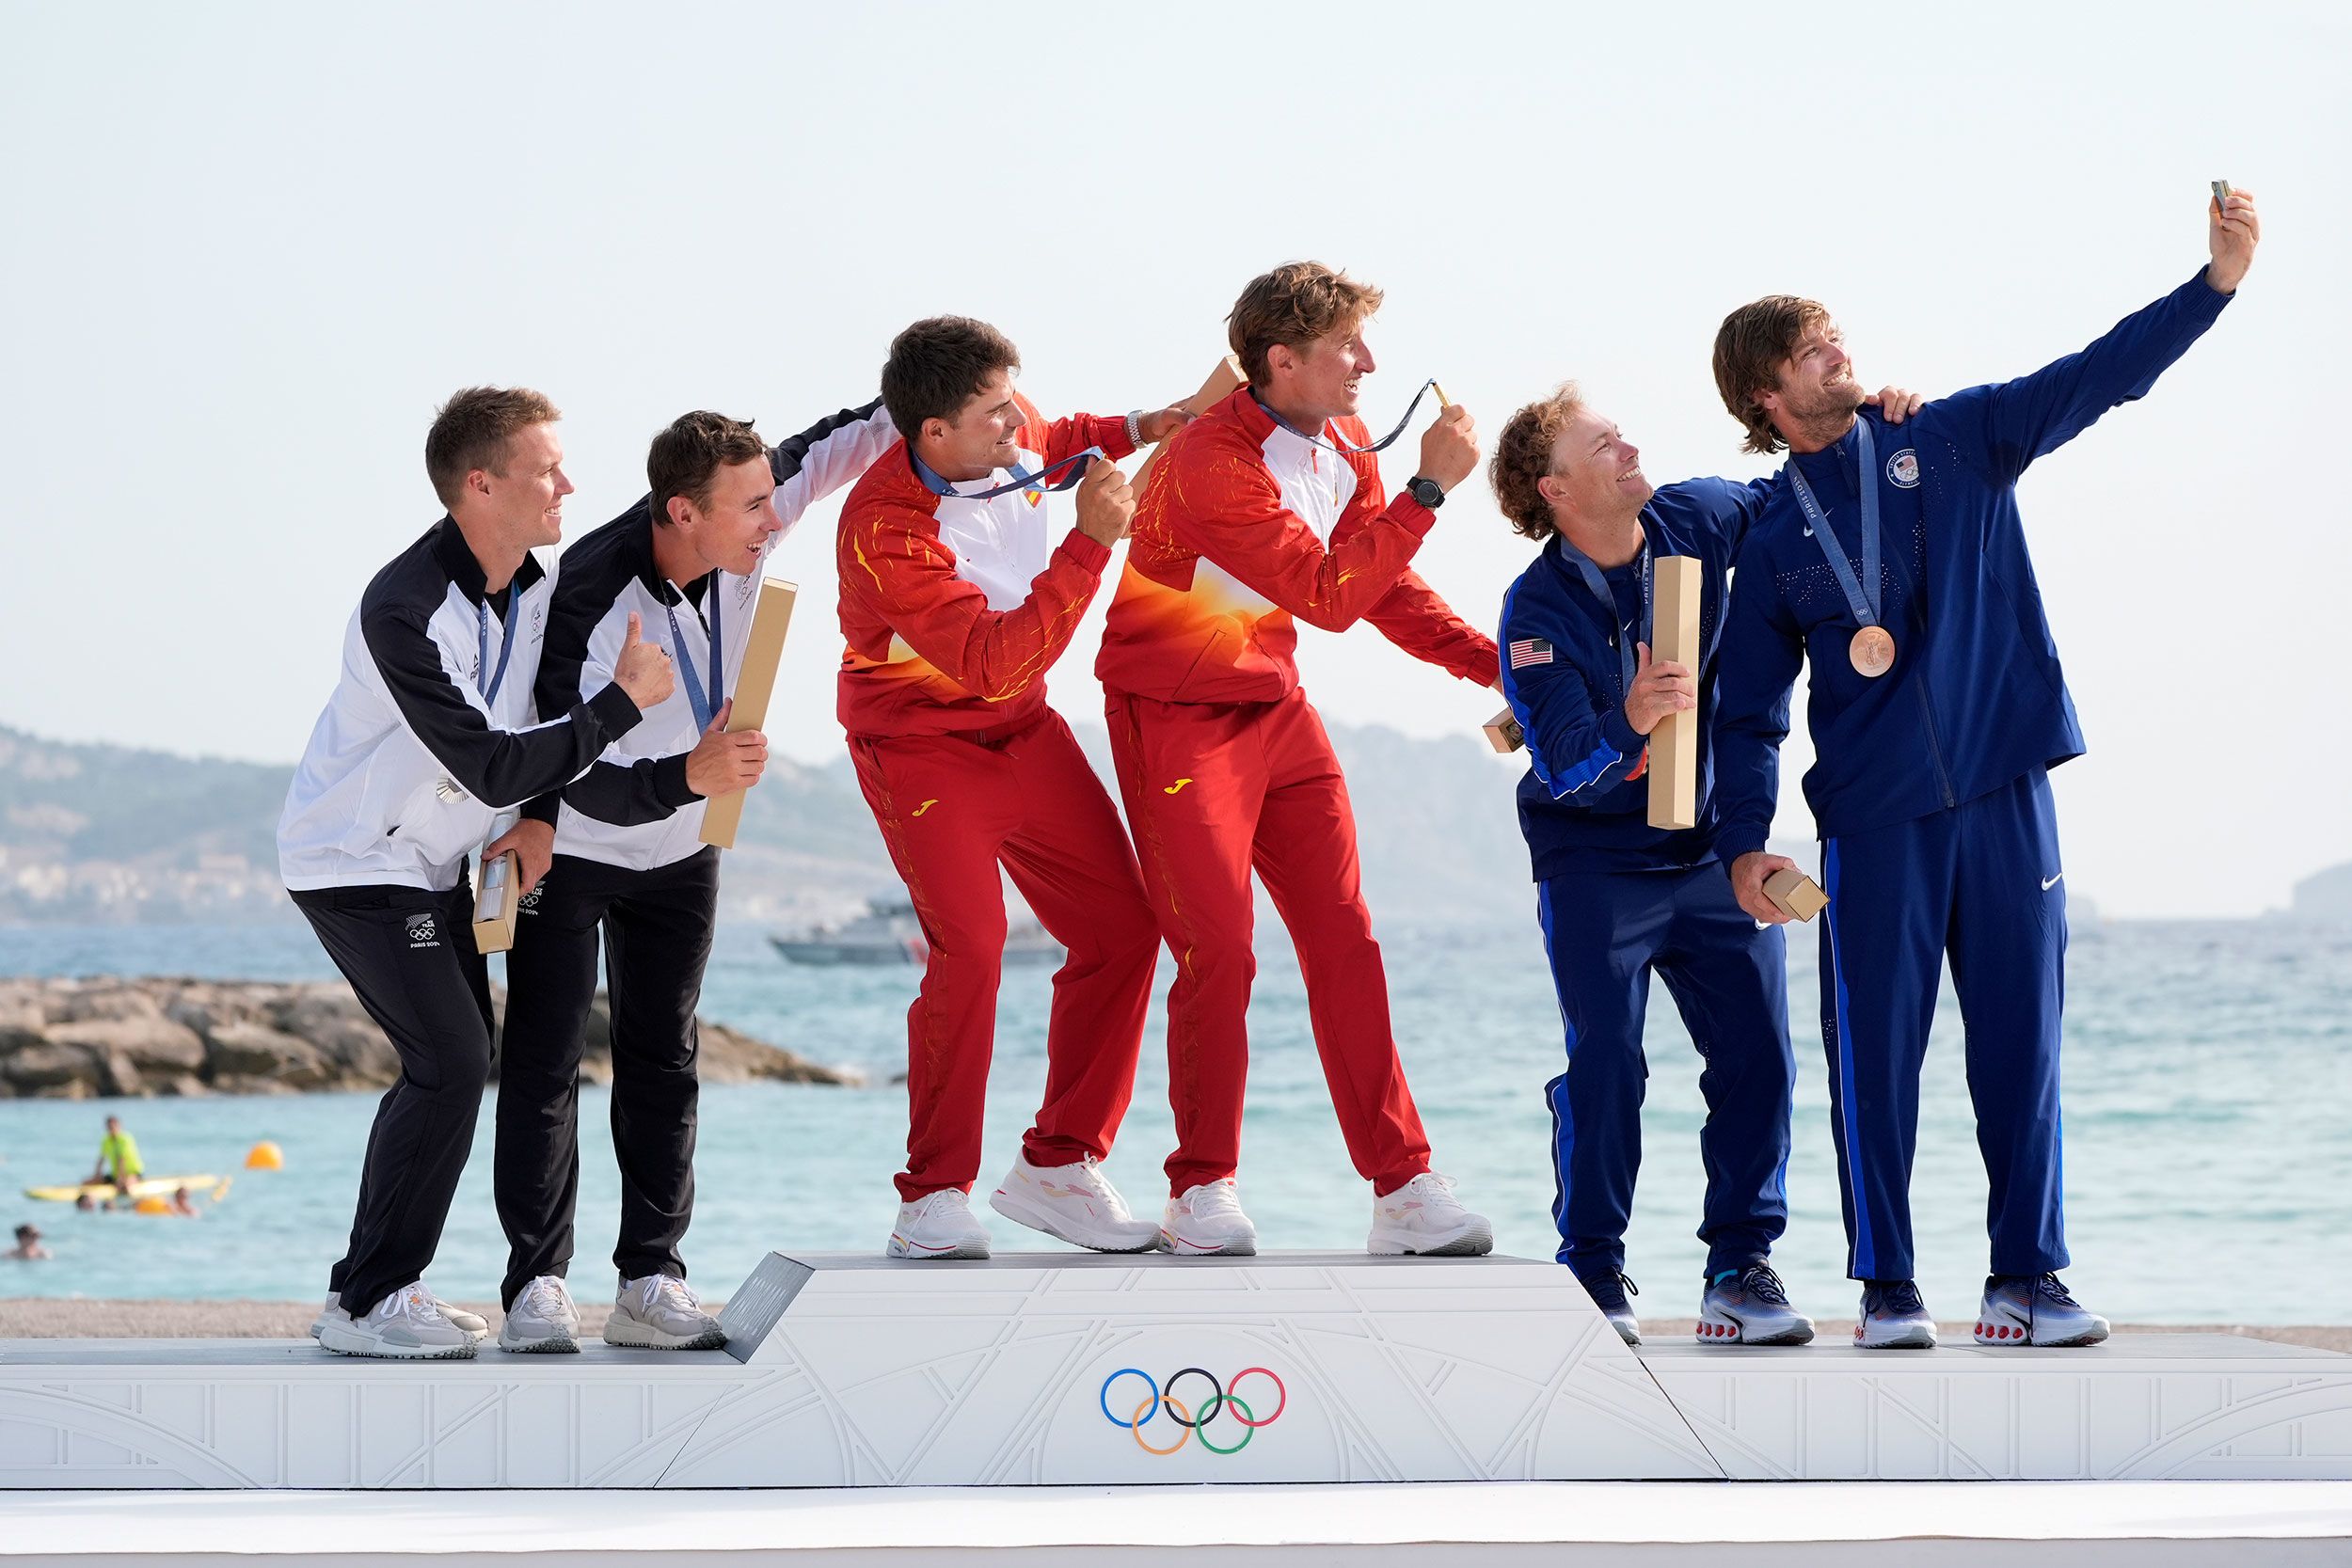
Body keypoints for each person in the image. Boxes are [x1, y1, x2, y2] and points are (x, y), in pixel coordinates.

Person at [1708, 188, 2261, 1349]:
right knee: (1875, 1060)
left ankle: (2027, 1279)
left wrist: (2211, 286)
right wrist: (1745, 842)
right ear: (1768, 394)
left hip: (2007, 790)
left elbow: (2097, 374)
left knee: (2025, 1044)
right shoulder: (1767, 534)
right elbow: (1748, 713)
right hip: (1872, 822)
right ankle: (1886, 1288)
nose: (1840, 354)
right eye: (1814, 351)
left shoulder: (1950, 437)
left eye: (1837, 337)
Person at [1488, 380, 1929, 1344]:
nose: (1626, 445)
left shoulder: (1694, 513)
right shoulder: (1532, 610)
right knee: (1606, 1061)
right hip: (1594, 862)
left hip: (1711, 852)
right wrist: (1632, 714)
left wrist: (1873, 426)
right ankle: (1592, 1266)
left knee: (1758, 1058)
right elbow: (1564, 765)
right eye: (1601, 443)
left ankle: (1739, 1266)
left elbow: (1801, 493)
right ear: (1553, 489)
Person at [1093, 261, 1498, 1257]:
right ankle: (1200, 1188)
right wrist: (1431, 487)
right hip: (1175, 711)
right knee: (1221, 949)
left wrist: (1500, 670)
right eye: (1346, 348)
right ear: (1282, 361)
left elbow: (1383, 587)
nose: (1368, 364)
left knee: (1345, 936)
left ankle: (1403, 1188)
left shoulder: (1349, 443)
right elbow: (1327, 593)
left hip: (1275, 706)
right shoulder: (1205, 460)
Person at [278, 386, 675, 1359]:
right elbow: (489, 761)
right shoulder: (403, 608)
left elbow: (537, 712)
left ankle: (375, 1288)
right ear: (480, 483)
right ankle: (367, 1299)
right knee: (451, 1060)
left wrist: (540, 817)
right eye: (548, 470)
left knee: (456, 1063)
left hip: (437, 862)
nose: (567, 485)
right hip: (353, 860)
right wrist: (621, 707)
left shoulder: (528, 585)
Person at [493, 401, 895, 1353]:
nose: (772, 520)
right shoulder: (586, 594)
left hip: (683, 854)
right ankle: (536, 1284)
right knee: (546, 1062)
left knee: (664, 1061)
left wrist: (948, 399)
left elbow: (855, 434)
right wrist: (685, 776)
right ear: (682, 512)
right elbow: (560, 768)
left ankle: (649, 1281)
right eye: (751, 507)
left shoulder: (746, 522)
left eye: (769, 501)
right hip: (578, 848)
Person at [838, 316, 1195, 1261]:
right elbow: (994, 661)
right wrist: (1090, 545)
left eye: (1012, 403)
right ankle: (931, 1196)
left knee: (1124, 925)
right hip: (919, 743)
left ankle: (1057, 1164)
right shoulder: (884, 529)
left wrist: (1147, 419)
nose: (1015, 425)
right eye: (993, 415)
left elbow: (1059, 432)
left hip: (1022, 729)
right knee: (974, 946)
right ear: (932, 436)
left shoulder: (1004, 425)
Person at [88, 1115, 142, 1192]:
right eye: (109, 1127)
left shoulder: (126, 1139)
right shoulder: (106, 1140)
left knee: (125, 1187)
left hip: (133, 1173)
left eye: (113, 1127)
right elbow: (101, 1160)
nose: (111, 1129)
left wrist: (120, 1179)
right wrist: (97, 1175)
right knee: (87, 1182)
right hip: (115, 1175)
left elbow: (122, 1160)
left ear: (119, 1126)